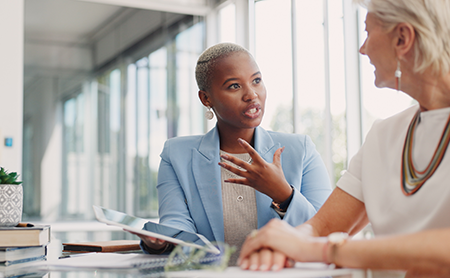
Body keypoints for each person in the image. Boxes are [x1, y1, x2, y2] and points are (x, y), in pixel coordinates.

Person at [238, 0, 450, 275]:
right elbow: (321, 227)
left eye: (368, 32)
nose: (363, 49)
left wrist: (324, 250)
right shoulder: (383, 135)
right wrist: (280, 243)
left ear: (402, 38)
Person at [135, 42, 332, 265]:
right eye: (234, 86)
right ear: (206, 99)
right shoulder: (176, 155)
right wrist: (160, 241)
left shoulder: (300, 149)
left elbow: (328, 231)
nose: (251, 94)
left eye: (256, 81)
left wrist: (284, 195)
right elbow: (177, 226)